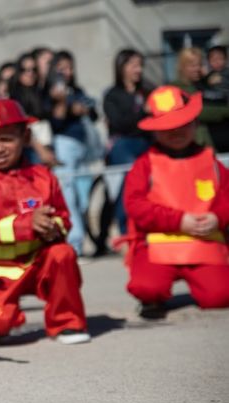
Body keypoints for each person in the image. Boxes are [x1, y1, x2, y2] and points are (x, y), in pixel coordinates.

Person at [0, 98, 90, 344]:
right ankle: (8, 316)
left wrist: (52, 228)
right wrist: (27, 224)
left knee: (63, 253)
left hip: (35, 266)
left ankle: (67, 323)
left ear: (26, 135)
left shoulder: (43, 177)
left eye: (6, 138)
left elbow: (64, 219)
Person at [123, 85, 229, 319]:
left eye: (182, 124)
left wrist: (218, 217)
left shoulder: (211, 161)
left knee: (221, 296)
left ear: (194, 123)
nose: (176, 131)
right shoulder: (144, 164)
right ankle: (153, 297)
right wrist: (179, 221)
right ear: (155, 131)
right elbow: (135, 205)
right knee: (147, 288)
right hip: (157, 246)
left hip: (204, 244)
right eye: (167, 127)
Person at [99, 49, 153, 254]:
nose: (138, 70)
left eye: (140, 65)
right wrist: (143, 113)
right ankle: (126, 234)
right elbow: (119, 123)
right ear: (121, 67)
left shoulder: (147, 91)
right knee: (127, 189)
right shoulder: (112, 95)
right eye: (133, 65)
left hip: (147, 143)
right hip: (123, 147)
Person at [44, 50, 98, 256]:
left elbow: (93, 113)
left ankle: (80, 238)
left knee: (83, 197)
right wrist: (63, 103)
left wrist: (84, 108)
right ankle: (75, 244)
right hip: (64, 144)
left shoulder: (77, 90)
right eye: (62, 68)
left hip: (83, 145)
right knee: (68, 195)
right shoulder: (51, 92)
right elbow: (55, 120)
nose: (67, 72)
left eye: (70, 68)